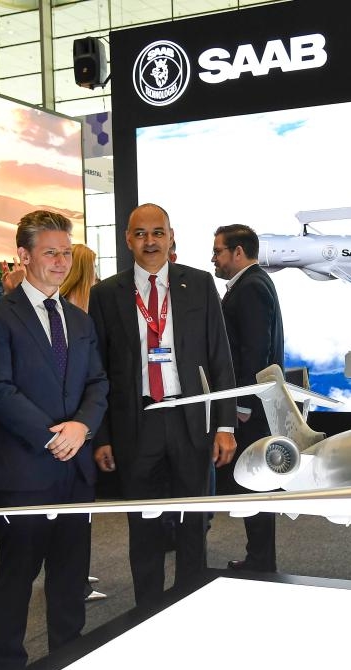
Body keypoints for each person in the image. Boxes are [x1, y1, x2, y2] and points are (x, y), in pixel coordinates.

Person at [0, 210, 108, 670]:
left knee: (70, 577)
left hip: (75, 471)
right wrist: (55, 437)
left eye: (66, 253)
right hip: (23, 471)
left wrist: (82, 427)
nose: (60, 261)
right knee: (17, 575)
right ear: (24, 255)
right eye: (50, 252)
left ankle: (67, 664)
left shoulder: (79, 320)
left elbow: (98, 382)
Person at [89, 202, 237, 608]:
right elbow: (98, 370)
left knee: (194, 522)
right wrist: (101, 436)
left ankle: (190, 603)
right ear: (128, 240)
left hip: (191, 419)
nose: (150, 241)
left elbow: (220, 357)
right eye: (141, 233)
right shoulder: (106, 294)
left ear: (171, 237)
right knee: (144, 525)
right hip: (137, 423)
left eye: (158, 232)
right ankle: (148, 610)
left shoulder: (200, 284)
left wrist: (225, 425)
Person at [211, 223, 284, 572]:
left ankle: (260, 561)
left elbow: (255, 350)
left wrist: (241, 404)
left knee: (255, 482)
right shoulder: (254, 282)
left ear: (238, 252)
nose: (213, 259)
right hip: (256, 405)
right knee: (255, 482)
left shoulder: (251, 287)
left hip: (251, 408)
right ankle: (259, 558)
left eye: (218, 251)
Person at [57, 242, 107, 602]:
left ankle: (71, 577)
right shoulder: (84, 309)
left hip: (75, 421)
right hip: (82, 423)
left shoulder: (65, 305)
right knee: (76, 512)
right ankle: (74, 581)